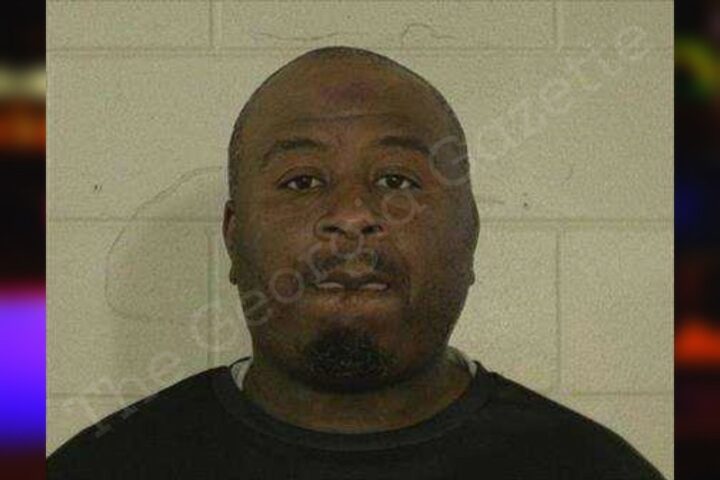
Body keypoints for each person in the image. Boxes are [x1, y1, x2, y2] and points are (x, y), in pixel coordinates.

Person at [47, 47, 666, 479]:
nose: (351, 214)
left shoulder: (593, 470)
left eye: (397, 180)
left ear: (471, 232)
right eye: (301, 181)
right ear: (234, 238)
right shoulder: (104, 467)